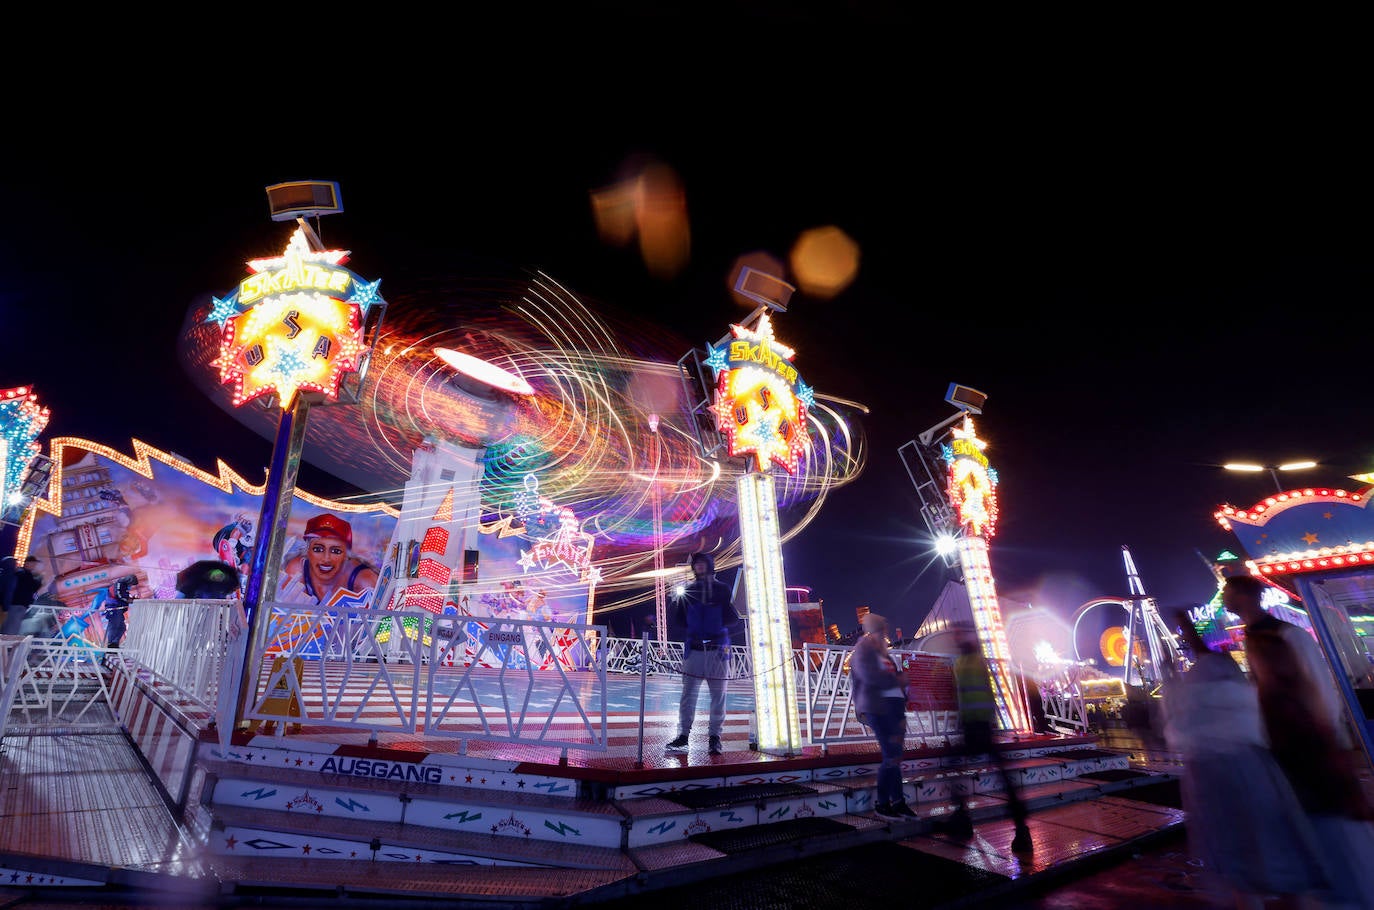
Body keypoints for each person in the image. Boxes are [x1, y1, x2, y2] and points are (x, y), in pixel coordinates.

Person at [1161, 607, 1330, 908]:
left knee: (1236, 857)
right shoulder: (1246, 696)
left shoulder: (1191, 707)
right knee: (1281, 846)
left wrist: (1172, 670)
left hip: (1212, 782)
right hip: (1258, 774)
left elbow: (1175, 732)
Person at [1225, 574, 1374, 909]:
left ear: (1244, 594)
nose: (1223, 597)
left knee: (1334, 827)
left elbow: (1321, 690)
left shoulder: (1286, 635)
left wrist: (1328, 738)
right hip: (1285, 745)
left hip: (1310, 745)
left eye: (1227, 590)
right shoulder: (1253, 636)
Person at [948, 625, 1032, 852]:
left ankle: (962, 817)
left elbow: (969, 695)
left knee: (952, 764)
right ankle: (1021, 828)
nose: (955, 638)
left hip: (976, 727)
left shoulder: (966, 663)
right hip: (981, 725)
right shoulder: (973, 661)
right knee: (1004, 777)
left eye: (958, 634)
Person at [665, 552, 737, 756]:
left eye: (703, 563)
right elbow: (679, 620)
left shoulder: (722, 589)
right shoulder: (689, 590)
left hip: (718, 651)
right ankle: (683, 736)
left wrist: (720, 628)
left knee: (718, 696)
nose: (699, 566)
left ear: (710, 565)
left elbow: (731, 617)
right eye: (696, 564)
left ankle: (715, 738)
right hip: (694, 650)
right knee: (688, 696)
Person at [849, 612, 916, 819]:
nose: (883, 636)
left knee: (895, 756)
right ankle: (883, 802)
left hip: (895, 708)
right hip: (878, 708)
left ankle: (896, 803)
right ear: (871, 632)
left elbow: (896, 678)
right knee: (891, 755)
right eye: (880, 631)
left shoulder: (885, 654)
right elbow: (870, 678)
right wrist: (898, 681)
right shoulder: (863, 651)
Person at [277, 514, 379, 607]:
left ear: (346, 556)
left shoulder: (365, 580)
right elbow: (284, 614)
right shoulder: (298, 568)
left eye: (336, 551)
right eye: (318, 549)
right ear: (307, 552)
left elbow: (380, 623)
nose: (326, 559)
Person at [1, 555, 42, 635]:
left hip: (17, 605)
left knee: (10, 628)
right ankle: (7, 646)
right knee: (11, 630)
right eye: (33, 564)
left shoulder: (23, 574)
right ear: (27, 563)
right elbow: (31, 587)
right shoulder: (22, 574)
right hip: (17, 605)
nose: (34, 566)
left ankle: (6, 645)